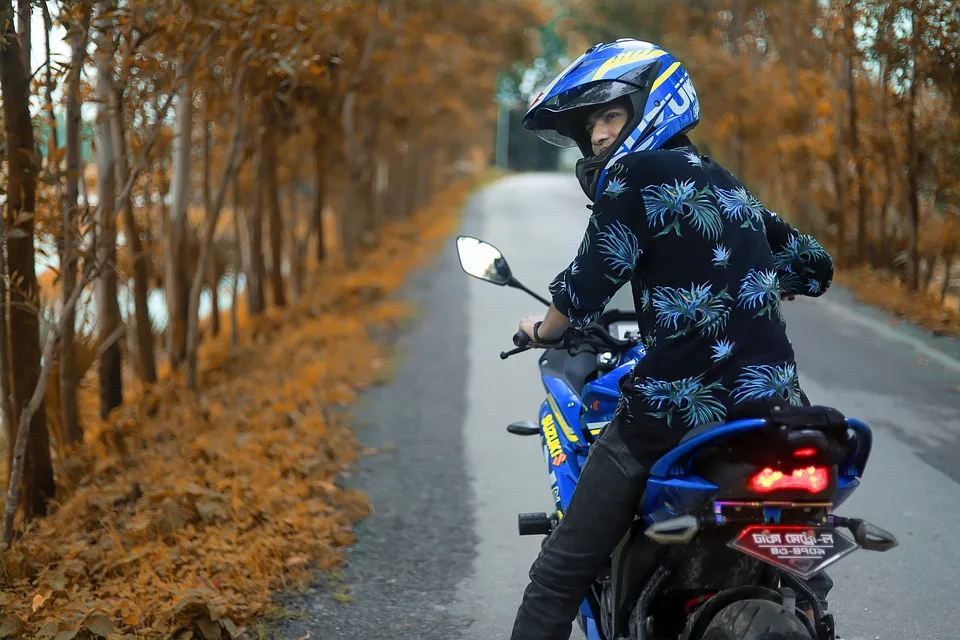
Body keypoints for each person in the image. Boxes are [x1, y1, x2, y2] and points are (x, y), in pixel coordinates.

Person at [510, 39, 836, 639]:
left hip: (677, 407)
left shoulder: (634, 175)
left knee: (559, 572)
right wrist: (756, 277)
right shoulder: (723, 180)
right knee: (802, 573)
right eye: (590, 126)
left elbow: (584, 287)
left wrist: (540, 329)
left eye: (609, 115)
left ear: (654, 102)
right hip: (777, 408)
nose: (599, 136)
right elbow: (814, 267)